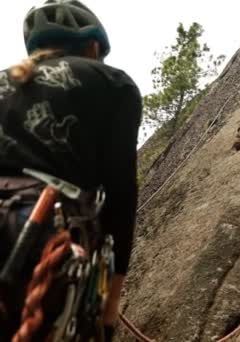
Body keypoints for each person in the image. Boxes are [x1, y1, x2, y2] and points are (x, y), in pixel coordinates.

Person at [0, 0, 141, 340]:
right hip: (42, 227)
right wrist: (111, 304)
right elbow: (120, 193)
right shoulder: (112, 82)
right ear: (93, 46)